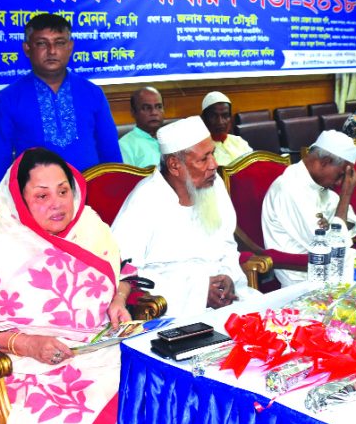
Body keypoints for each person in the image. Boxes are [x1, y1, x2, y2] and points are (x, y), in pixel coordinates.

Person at [0, 147, 134, 424]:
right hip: (22, 368)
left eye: (63, 191)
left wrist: (118, 299)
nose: (58, 204)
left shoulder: (89, 224)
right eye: (42, 195)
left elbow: (122, 272)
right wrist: (27, 344)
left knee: (151, 394)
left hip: (99, 351)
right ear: (21, 199)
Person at [111, 116, 260, 318]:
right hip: (174, 310)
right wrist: (198, 292)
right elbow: (126, 272)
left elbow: (227, 245)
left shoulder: (213, 186)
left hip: (227, 300)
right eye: (203, 158)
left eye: (213, 154)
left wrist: (228, 278)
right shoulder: (144, 201)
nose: (214, 164)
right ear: (174, 165)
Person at [0, 13, 121, 190]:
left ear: (70, 46)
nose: (51, 51)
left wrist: (117, 191)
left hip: (93, 194)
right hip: (37, 201)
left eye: (59, 43)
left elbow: (110, 152)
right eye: (42, 43)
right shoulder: (8, 99)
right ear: (27, 49)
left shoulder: (92, 93)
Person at [262, 130, 356, 286]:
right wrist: (345, 197)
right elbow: (329, 246)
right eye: (340, 175)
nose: (340, 183)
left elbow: (352, 223)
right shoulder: (290, 188)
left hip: (334, 266)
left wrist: (334, 225)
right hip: (306, 276)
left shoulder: (320, 186)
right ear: (325, 162)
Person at [200, 91, 253, 165]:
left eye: (225, 115)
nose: (220, 122)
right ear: (204, 119)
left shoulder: (239, 142)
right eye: (214, 116)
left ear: (231, 118)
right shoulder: (199, 151)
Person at [119, 86, 164, 167]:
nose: (154, 112)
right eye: (146, 108)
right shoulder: (124, 145)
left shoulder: (172, 137)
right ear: (133, 112)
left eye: (158, 107)